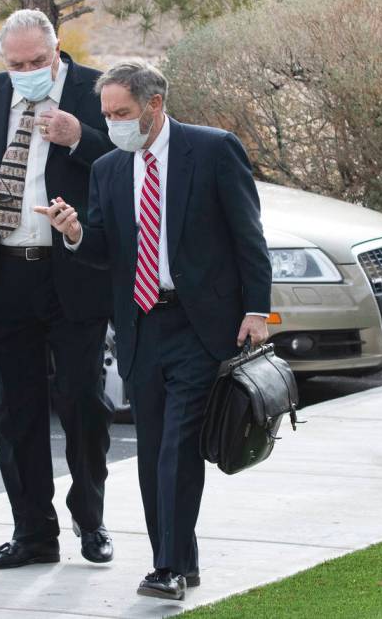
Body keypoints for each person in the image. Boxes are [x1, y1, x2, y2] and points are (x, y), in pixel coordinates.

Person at [36, 60, 272, 601]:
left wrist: (257, 309)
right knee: (153, 449)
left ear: (154, 105)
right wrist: (73, 233)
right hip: (141, 325)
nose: (112, 124)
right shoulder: (111, 170)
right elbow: (105, 250)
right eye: (107, 114)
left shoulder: (211, 151)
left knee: (179, 446)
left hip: (201, 324)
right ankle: (179, 560)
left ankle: (165, 567)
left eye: (121, 113)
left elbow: (248, 236)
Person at [0, 9, 116, 568]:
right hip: (5, 272)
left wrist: (80, 138)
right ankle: (34, 535)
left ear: (57, 48)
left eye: (38, 62)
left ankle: (91, 522)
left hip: (72, 271)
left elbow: (134, 165)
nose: (27, 71)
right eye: (16, 64)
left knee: (83, 405)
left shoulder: (98, 90)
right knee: (14, 413)